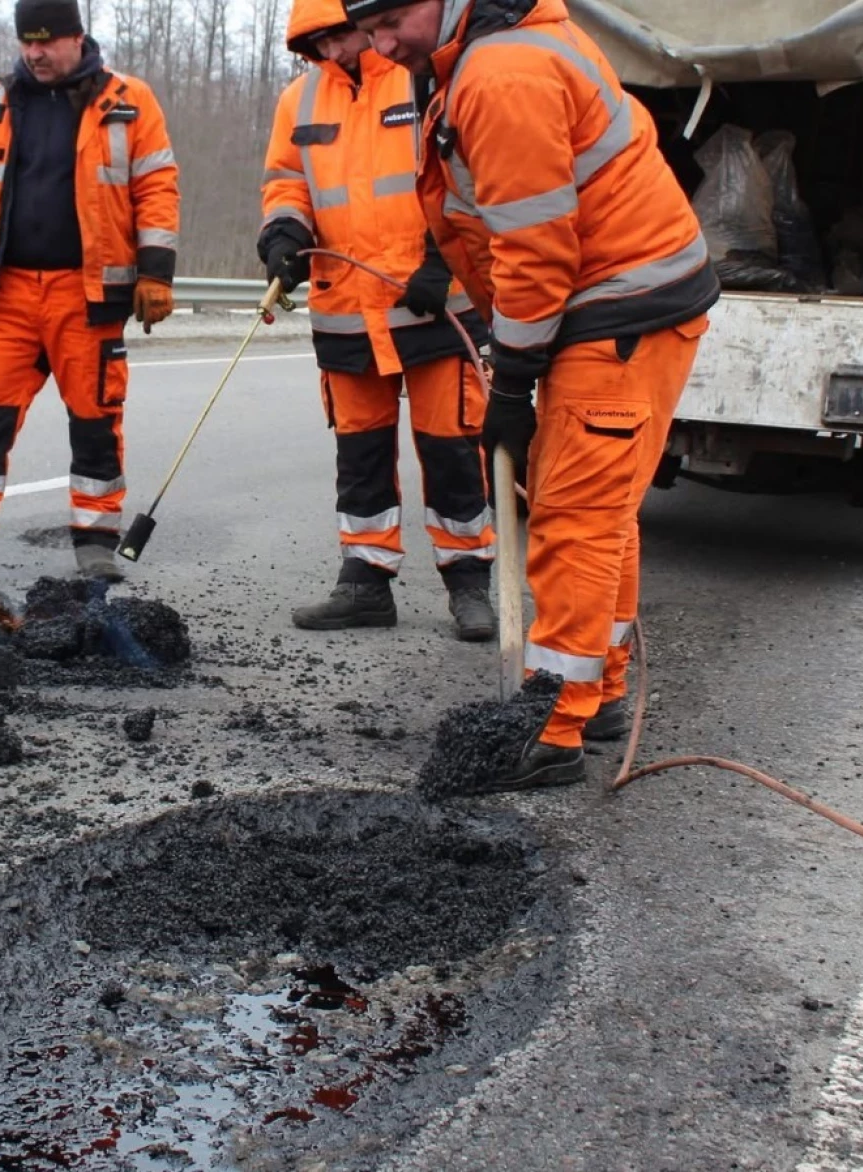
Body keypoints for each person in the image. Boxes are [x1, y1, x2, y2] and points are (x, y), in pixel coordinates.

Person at [347, 0, 719, 789]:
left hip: (618, 308)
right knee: (599, 512)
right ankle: (600, 689)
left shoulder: (501, 73)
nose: (382, 44)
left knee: (574, 520)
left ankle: (551, 728)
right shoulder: (479, 57)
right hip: (623, 304)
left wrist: (511, 379)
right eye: (367, 26)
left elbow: (537, 249)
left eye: (393, 18)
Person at [260, 0, 496, 641]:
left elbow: (466, 176)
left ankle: (470, 582)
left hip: (434, 304)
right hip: (344, 311)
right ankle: (364, 582)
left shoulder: (426, 76)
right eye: (316, 44)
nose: (332, 53)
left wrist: (441, 260)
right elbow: (287, 183)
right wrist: (283, 234)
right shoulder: (298, 102)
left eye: (338, 36)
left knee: (452, 447)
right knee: (360, 453)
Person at [0, 0, 180, 581]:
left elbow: (157, 187)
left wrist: (155, 272)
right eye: (26, 43)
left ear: (76, 38)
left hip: (85, 293)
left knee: (95, 416)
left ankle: (95, 541)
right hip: (7, 290)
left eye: (46, 42)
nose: (35, 54)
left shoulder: (127, 101)